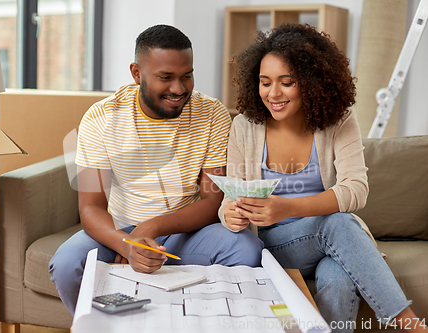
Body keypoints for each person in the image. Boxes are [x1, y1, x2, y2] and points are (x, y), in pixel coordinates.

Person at [219, 23, 427, 333]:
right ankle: (412, 325)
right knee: (338, 223)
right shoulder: (245, 127)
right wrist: (231, 215)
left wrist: (288, 207)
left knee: (339, 279)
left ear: (311, 82)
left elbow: (356, 190)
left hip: (333, 241)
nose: (273, 93)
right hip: (275, 245)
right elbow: (227, 201)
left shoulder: (338, 120)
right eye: (265, 82)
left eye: (286, 82)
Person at [49, 24, 263, 315]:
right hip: (120, 229)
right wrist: (127, 245)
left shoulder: (211, 114)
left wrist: (150, 228)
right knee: (66, 263)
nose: (179, 89)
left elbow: (213, 201)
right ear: (137, 73)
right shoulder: (101, 117)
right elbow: (90, 208)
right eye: (166, 78)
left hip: (186, 231)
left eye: (186, 76)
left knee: (247, 249)